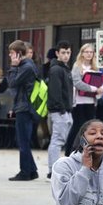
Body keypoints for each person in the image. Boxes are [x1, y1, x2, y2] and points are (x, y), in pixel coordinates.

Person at [6, 40, 41, 181]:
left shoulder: (26, 67)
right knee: (23, 140)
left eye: (12, 53)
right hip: (23, 106)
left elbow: (12, 83)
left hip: (25, 108)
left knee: (23, 141)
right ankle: (32, 170)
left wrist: (14, 67)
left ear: (19, 54)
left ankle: (25, 172)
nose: (10, 55)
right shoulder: (26, 65)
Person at [65, 43, 103, 155]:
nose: (89, 54)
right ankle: (69, 152)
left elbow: (101, 81)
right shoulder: (77, 66)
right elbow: (77, 83)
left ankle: (83, 151)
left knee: (88, 129)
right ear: (82, 53)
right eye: (86, 52)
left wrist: (102, 88)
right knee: (77, 127)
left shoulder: (95, 67)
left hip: (91, 102)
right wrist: (93, 88)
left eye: (91, 52)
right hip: (79, 102)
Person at [47, 41, 73, 178]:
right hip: (59, 111)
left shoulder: (64, 68)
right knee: (57, 140)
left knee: (60, 140)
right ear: (57, 53)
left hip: (66, 110)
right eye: (63, 52)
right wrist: (62, 110)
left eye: (68, 52)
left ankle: (54, 169)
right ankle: (53, 170)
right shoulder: (56, 69)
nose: (66, 55)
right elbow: (55, 92)